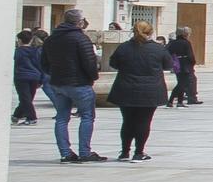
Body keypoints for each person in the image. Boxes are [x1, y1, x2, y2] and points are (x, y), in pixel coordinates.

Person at [107, 19, 175, 161]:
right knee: (144, 121)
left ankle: (124, 152)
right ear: (151, 32)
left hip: (126, 88)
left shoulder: (124, 47)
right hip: (150, 90)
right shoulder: (158, 49)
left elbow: (113, 63)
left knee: (127, 121)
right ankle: (139, 152)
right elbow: (168, 65)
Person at [40, 9, 103, 161]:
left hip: (58, 83)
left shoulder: (51, 39)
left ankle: (65, 153)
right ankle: (85, 152)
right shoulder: (81, 38)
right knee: (87, 116)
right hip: (79, 83)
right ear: (80, 22)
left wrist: (54, 74)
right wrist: (92, 77)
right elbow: (89, 62)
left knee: (62, 118)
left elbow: (44, 62)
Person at [12, 29, 44, 124]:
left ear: (20, 40)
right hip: (35, 76)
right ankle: (17, 115)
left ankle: (31, 117)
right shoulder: (36, 51)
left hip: (21, 76)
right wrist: (41, 79)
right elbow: (40, 65)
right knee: (28, 98)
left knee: (25, 98)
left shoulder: (18, 52)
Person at [167, 26, 201, 106]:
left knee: (180, 83)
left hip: (177, 64)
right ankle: (173, 101)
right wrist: (192, 63)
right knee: (182, 84)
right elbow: (190, 56)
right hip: (185, 65)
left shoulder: (173, 43)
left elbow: (168, 53)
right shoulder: (186, 42)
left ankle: (177, 101)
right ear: (184, 34)